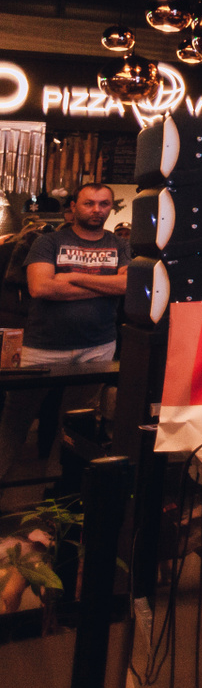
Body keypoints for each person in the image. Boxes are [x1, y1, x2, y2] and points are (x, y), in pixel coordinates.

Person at [0, 183, 127, 485]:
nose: (97, 210)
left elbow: (127, 286)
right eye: (89, 203)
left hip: (98, 347)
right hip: (42, 347)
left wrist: (72, 277)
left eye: (104, 204)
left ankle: (56, 492)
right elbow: (40, 287)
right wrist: (104, 286)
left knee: (74, 425)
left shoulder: (119, 245)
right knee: (14, 422)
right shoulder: (49, 241)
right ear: (74, 207)